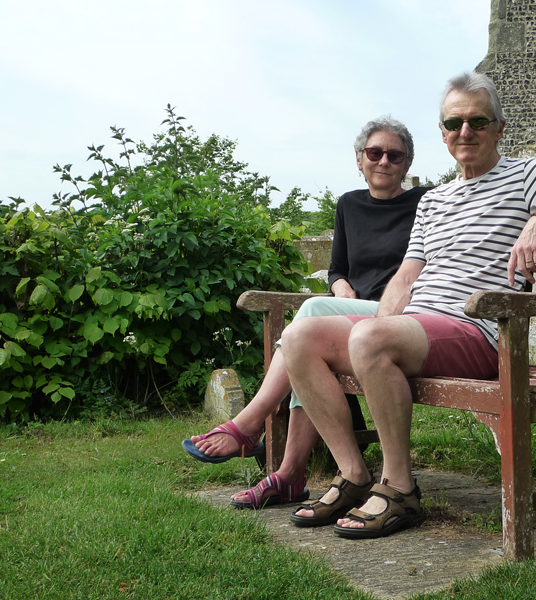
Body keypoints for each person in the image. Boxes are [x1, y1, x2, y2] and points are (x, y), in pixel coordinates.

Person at [281, 72, 536, 538]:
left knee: (368, 336)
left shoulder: (525, 174)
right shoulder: (434, 200)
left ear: (499, 128)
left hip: (478, 329)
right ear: (443, 132)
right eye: (454, 123)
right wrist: (375, 333)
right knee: (299, 337)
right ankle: (354, 475)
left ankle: (400, 489)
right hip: (418, 328)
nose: (465, 132)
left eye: (477, 121)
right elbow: (406, 277)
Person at [182, 116, 430, 509]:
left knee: (312, 313)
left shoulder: (424, 202)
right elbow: (338, 268)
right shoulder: (349, 204)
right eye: (374, 152)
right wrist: (340, 286)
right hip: (351, 318)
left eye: (395, 155)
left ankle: (251, 423)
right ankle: (289, 475)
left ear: (407, 163)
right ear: (359, 159)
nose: (384, 161)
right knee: (310, 340)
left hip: (399, 322)